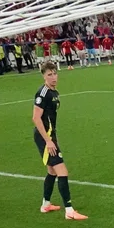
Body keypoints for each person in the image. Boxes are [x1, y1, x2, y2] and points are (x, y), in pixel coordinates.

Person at [31, 61, 87, 220]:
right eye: (49, 74)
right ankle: (69, 211)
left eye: (55, 73)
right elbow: (36, 118)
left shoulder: (54, 92)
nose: (53, 77)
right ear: (43, 76)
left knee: (51, 171)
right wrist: (48, 141)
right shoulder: (43, 93)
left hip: (50, 135)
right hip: (44, 136)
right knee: (62, 171)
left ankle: (45, 205)